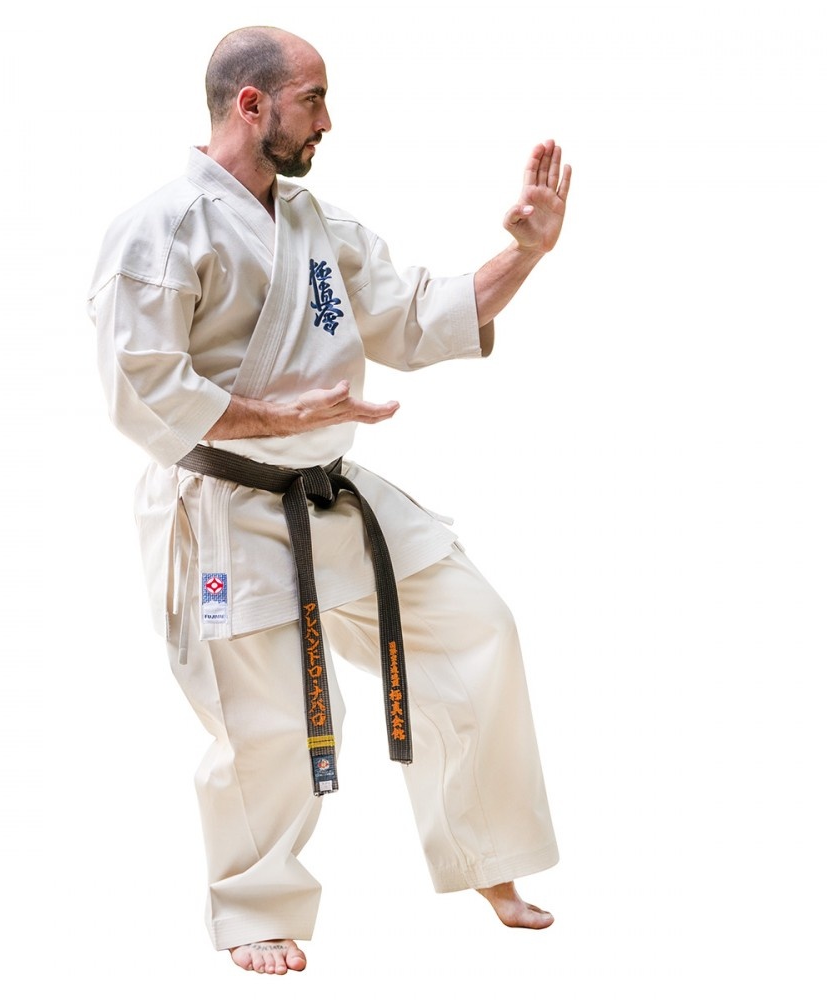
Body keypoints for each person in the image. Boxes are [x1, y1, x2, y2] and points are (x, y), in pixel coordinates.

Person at [88, 25, 571, 976]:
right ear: (251, 104)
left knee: (473, 627)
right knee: (270, 722)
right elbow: (141, 389)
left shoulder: (316, 225)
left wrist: (524, 256)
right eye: (312, 99)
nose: (328, 120)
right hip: (224, 507)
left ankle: (485, 853)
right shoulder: (160, 228)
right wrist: (278, 417)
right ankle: (253, 909)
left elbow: (415, 316)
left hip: (328, 496)